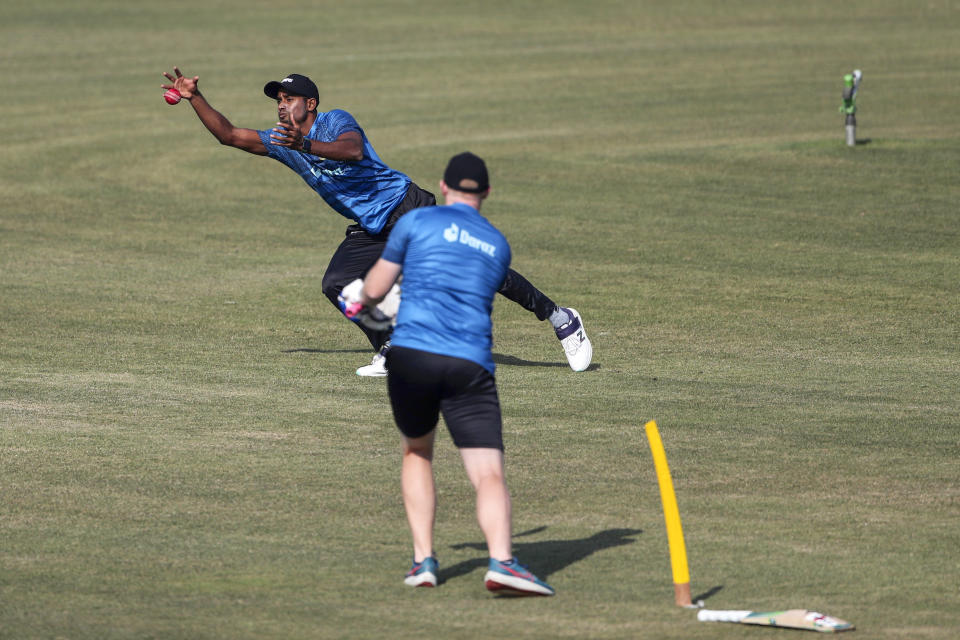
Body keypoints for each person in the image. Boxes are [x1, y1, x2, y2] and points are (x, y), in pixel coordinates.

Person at [160, 68, 592, 376]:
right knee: (337, 284)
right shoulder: (281, 141)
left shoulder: (334, 121)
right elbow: (229, 135)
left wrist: (307, 144)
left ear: (309, 104)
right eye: (277, 101)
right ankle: (390, 346)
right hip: (370, 228)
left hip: (407, 206)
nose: (280, 107)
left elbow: (351, 151)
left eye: (288, 99)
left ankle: (559, 317)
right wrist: (195, 97)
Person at [347, 151, 554, 595]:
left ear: (443, 187)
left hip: (412, 357)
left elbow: (376, 290)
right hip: (469, 364)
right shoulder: (498, 244)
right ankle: (502, 562)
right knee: (488, 472)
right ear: (486, 194)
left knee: (417, 453)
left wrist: (357, 300)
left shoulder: (415, 223)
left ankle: (423, 561)